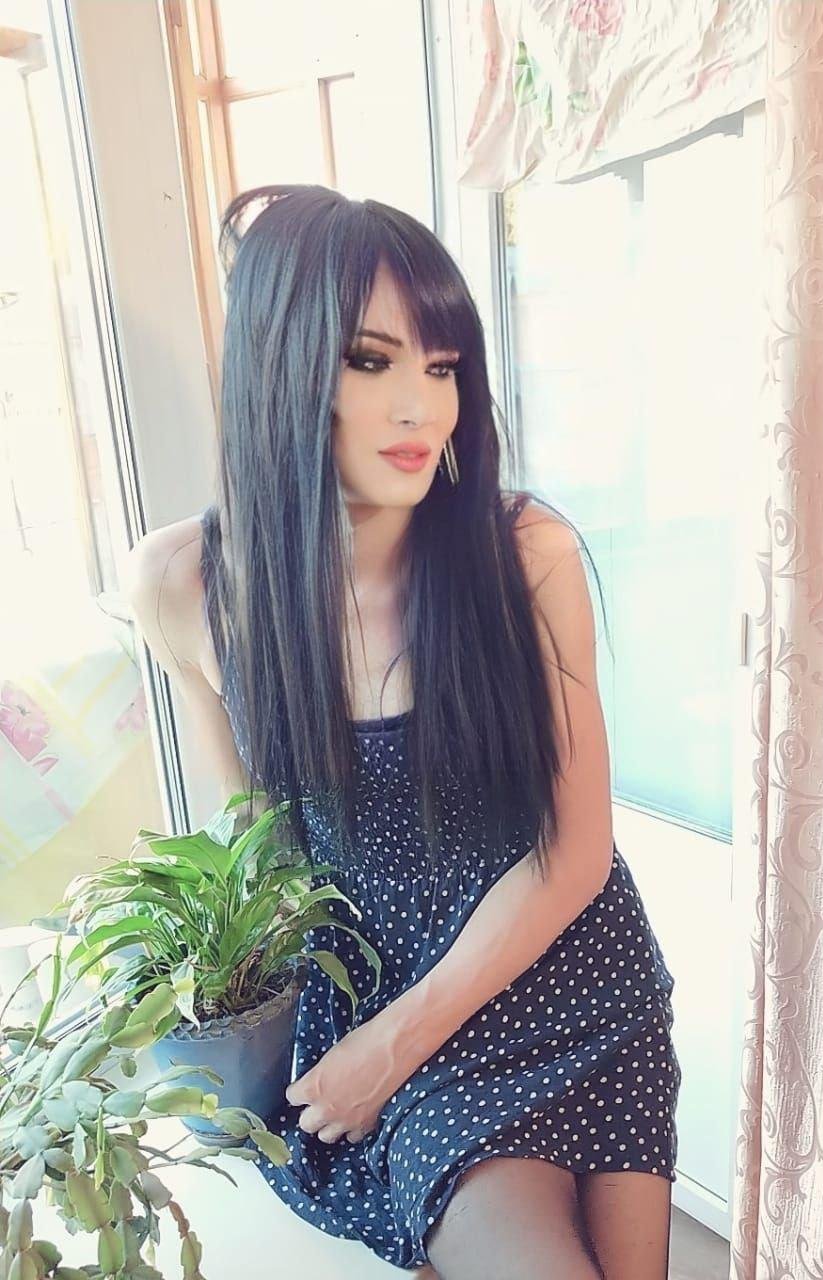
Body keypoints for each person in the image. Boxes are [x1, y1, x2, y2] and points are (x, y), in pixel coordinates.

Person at [127, 184, 680, 1280]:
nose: (421, 407)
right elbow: (261, 850)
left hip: (568, 968)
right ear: (280, 367)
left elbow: (573, 852)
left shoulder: (525, 554)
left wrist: (392, 1043)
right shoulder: (187, 585)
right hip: (395, 1000)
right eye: (372, 361)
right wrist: (215, 1004)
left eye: (442, 367)